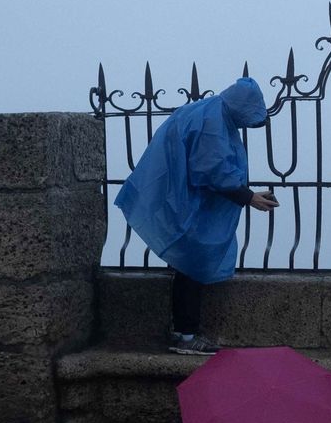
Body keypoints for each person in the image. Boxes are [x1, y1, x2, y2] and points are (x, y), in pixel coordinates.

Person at [115, 77, 278, 355]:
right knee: (193, 262)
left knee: (186, 264)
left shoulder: (208, 111)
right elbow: (212, 169)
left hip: (177, 194)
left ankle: (182, 331)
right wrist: (247, 197)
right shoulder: (213, 123)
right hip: (186, 201)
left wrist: (245, 192)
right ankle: (188, 338)